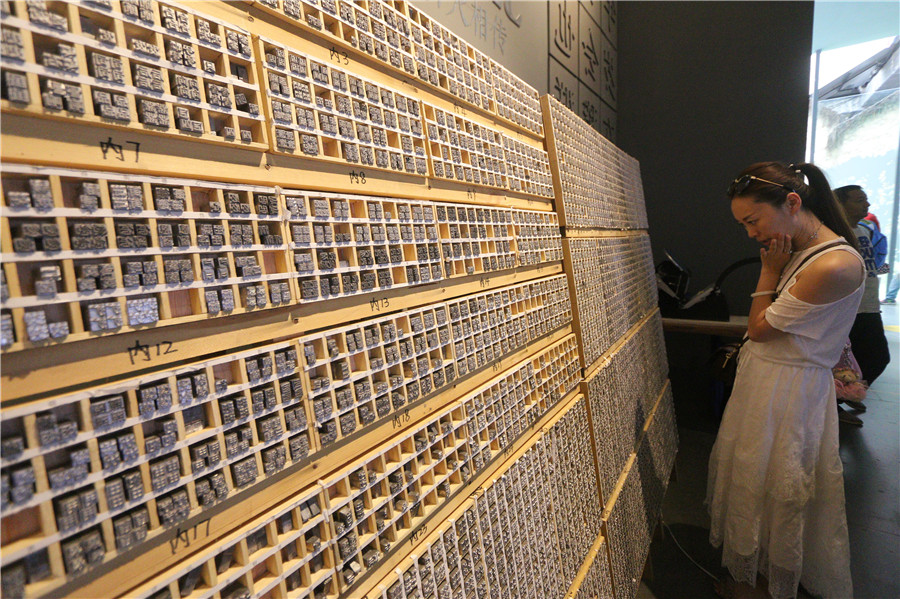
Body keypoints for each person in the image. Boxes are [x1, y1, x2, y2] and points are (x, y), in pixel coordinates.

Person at [707, 162, 865, 599]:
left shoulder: (832, 264)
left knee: (781, 489)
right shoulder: (800, 248)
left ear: (793, 202)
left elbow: (759, 328)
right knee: (754, 481)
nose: (751, 234)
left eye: (753, 221)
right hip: (770, 383)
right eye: (744, 225)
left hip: (790, 392)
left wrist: (768, 272)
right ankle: (753, 574)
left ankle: (768, 582)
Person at [834, 186, 891, 391]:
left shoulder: (864, 231)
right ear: (840, 204)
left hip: (869, 306)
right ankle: (841, 397)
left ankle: (847, 393)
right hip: (849, 309)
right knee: (872, 357)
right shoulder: (834, 233)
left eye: (866, 200)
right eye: (859, 200)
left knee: (877, 358)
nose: (866, 204)